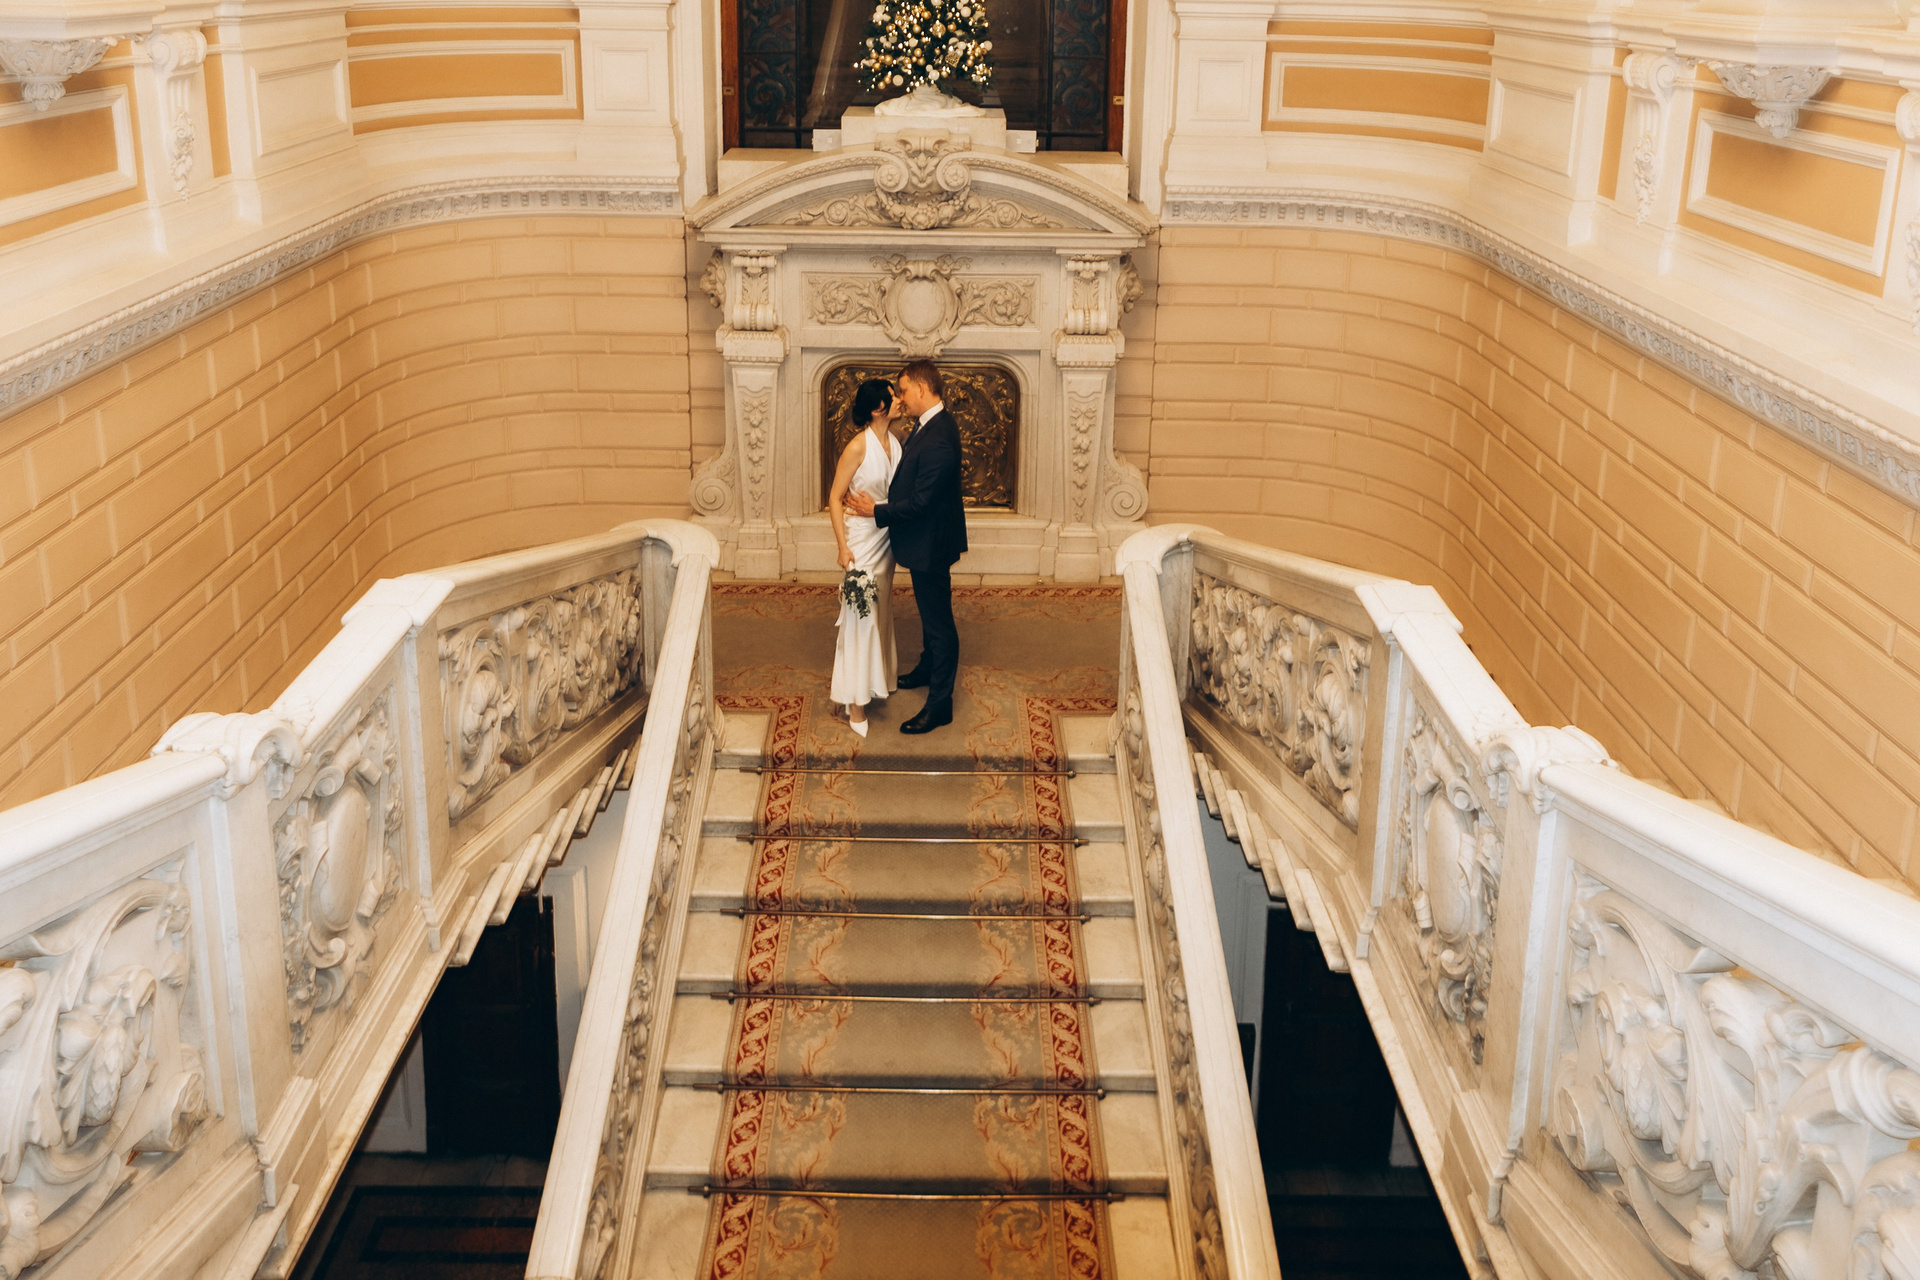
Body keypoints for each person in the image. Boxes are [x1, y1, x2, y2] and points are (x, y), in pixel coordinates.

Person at [845, 360, 966, 734]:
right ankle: (928, 668)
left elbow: (922, 501)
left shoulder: (939, 434)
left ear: (922, 389)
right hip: (925, 539)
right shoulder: (928, 424)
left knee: (939, 622)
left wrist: (875, 511)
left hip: (931, 542)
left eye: (904, 390)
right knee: (931, 615)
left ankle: (940, 705)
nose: (901, 398)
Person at [826, 378, 902, 735]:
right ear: (878, 408)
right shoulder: (858, 446)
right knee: (860, 615)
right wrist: (843, 547)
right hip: (860, 541)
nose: (900, 400)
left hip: (886, 539)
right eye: (894, 396)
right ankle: (854, 703)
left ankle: (874, 680)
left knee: (880, 611)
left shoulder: (896, 442)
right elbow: (835, 498)